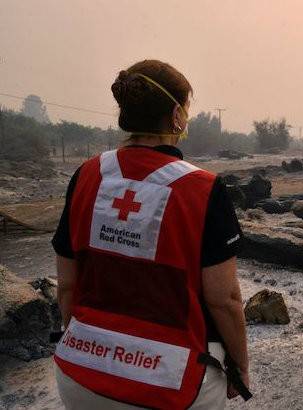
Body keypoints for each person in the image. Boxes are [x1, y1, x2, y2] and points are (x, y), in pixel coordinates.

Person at [51, 59, 249, 409]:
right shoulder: (204, 189)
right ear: (176, 115)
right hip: (171, 383)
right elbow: (225, 300)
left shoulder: (86, 175)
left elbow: (67, 285)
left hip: (80, 375)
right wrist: (241, 368)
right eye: (186, 110)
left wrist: (86, 345)